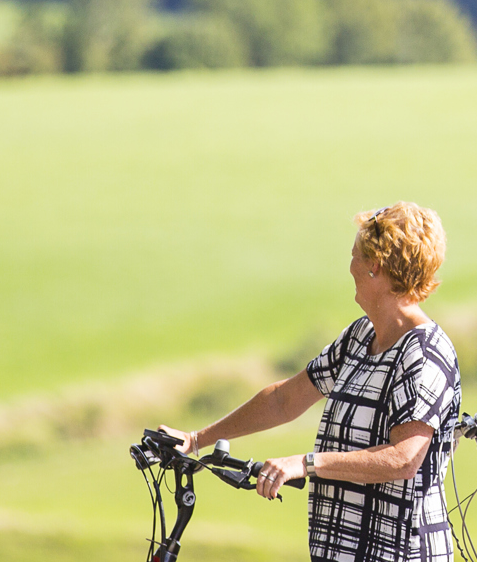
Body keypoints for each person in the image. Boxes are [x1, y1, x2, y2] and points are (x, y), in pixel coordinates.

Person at [160, 202, 460, 562]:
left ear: (374, 266)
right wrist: (195, 440)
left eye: (355, 256)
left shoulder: (423, 354)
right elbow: (284, 400)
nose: (349, 266)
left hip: (396, 553)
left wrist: (305, 464)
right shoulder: (361, 336)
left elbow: (403, 460)